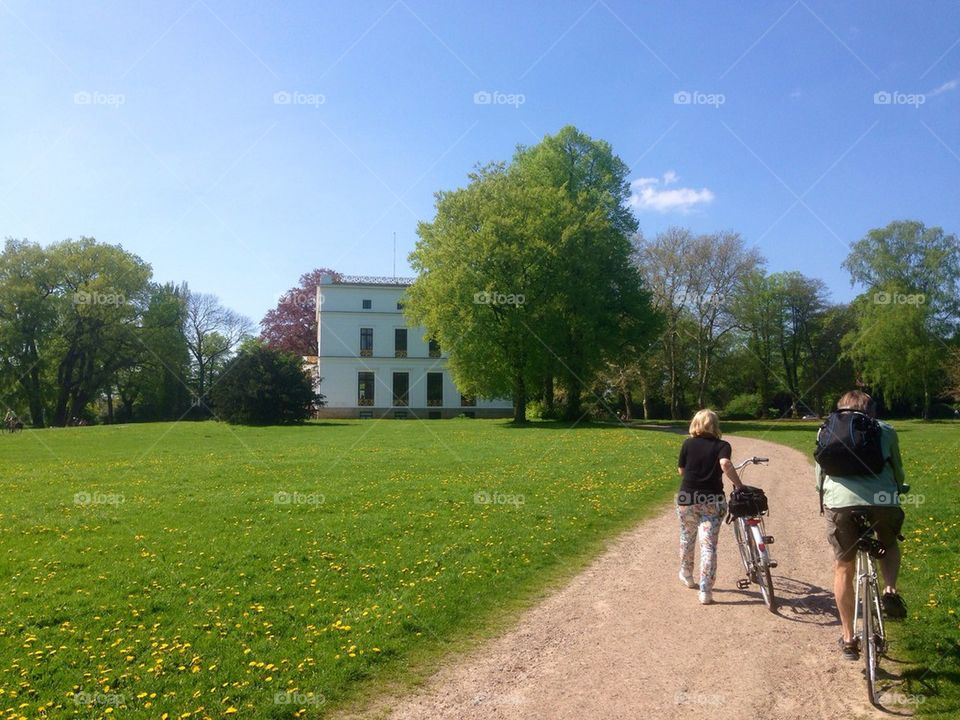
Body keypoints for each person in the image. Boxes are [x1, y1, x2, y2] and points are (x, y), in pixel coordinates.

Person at [815, 390, 908, 661]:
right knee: (888, 543)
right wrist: (898, 489)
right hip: (883, 500)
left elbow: (820, 475)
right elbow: (897, 469)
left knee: (844, 566)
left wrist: (824, 498)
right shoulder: (886, 431)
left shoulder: (825, 430)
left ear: (840, 410)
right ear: (871, 410)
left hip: (840, 503)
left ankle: (848, 638)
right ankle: (889, 590)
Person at [677, 409, 744, 605]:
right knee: (708, 546)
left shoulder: (687, 444)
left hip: (686, 498)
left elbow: (681, 470)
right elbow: (725, 463)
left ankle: (687, 576)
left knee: (686, 538)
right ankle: (705, 591)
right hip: (712, 500)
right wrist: (740, 486)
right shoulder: (722, 445)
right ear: (715, 425)